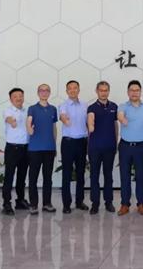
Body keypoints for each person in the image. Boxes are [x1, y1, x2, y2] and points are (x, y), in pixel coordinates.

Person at [117, 80, 143, 216]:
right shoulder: (123, 106)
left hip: (140, 147)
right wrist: (122, 119)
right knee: (124, 176)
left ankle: (141, 204)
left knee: (140, 176)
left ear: (140, 92)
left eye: (137, 90)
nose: (134, 92)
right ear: (128, 92)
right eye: (132, 90)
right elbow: (120, 115)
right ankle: (124, 204)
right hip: (125, 146)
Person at [26, 83, 58, 215]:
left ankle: (47, 203)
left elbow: (54, 128)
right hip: (35, 149)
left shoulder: (53, 109)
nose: (44, 92)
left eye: (47, 90)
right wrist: (30, 130)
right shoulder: (32, 108)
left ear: (49, 93)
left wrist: (54, 145)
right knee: (33, 177)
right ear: (38, 93)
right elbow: (28, 122)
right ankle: (33, 204)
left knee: (47, 178)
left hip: (49, 149)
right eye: (41, 90)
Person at [87, 81, 118, 214]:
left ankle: (108, 202)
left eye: (106, 90)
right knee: (94, 175)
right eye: (101, 90)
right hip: (95, 147)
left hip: (109, 147)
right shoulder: (92, 108)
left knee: (108, 175)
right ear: (97, 91)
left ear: (108, 91)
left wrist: (116, 142)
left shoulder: (114, 106)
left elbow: (115, 125)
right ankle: (95, 203)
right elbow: (90, 122)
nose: (104, 93)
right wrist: (91, 126)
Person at [58, 80, 89, 214]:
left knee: (81, 173)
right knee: (67, 173)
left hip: (82, 142)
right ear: (66, 91)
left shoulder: (85, 105)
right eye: (69, 88)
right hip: (68, 143)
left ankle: (79, 201)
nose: (72, 90)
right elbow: (62, 116)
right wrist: (65, 119)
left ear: (78, 90)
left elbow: (88, 122)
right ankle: (66, 204)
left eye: (75, 88)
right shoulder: (63, 105)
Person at [2, 87, 30, 215]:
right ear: (11, 99)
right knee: (9, 176)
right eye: (15, 96)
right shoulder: (8, 111)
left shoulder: (27, 111)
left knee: (22, 176)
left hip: (26, 148)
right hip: (12, 148)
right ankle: (6, 203)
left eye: (20, 96)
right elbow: (8, 118)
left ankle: (20, 200)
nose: (18, 98)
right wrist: (12, 121)